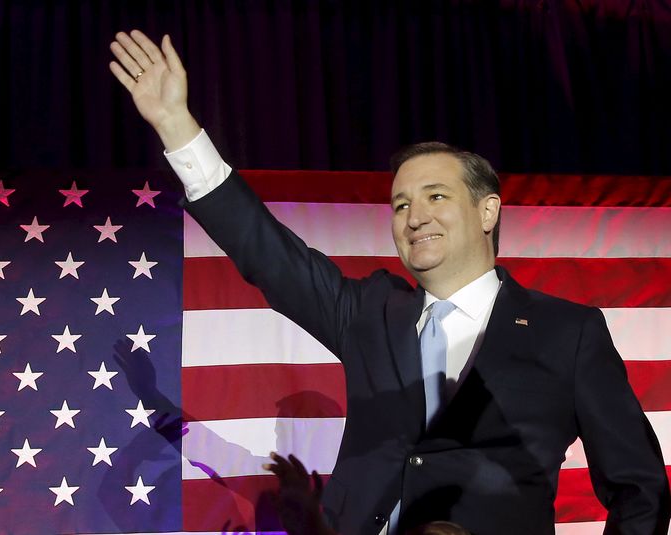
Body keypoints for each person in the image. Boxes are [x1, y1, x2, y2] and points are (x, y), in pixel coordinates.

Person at [109, 29, 671, 534]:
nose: (414, 215)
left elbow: (639, 488)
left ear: (487, 212)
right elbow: (269, 254)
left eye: (436, 197)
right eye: (400, 203)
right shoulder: (371, 312)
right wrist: (178, 128)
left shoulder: (566, 333)